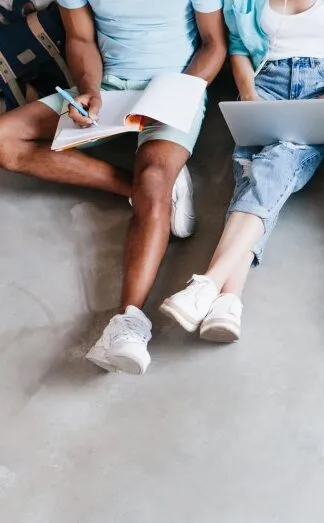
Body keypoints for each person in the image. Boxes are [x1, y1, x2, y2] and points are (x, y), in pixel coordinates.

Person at [0, 1, 227, 374]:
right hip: (109, 89)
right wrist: (90, 91)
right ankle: (138, 189)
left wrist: (178, 93)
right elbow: (80, 38)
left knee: (154, 175)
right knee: (4, 141)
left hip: (176, 88)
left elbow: (213, 43)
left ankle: (129, 323)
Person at [160, 0, 324, 343]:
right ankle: (228, 301)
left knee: (275, 165)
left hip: (321, 86)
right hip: (265, 84)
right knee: (251, 175)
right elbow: (240, 48)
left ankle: (209, 283)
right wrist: (247, 92)